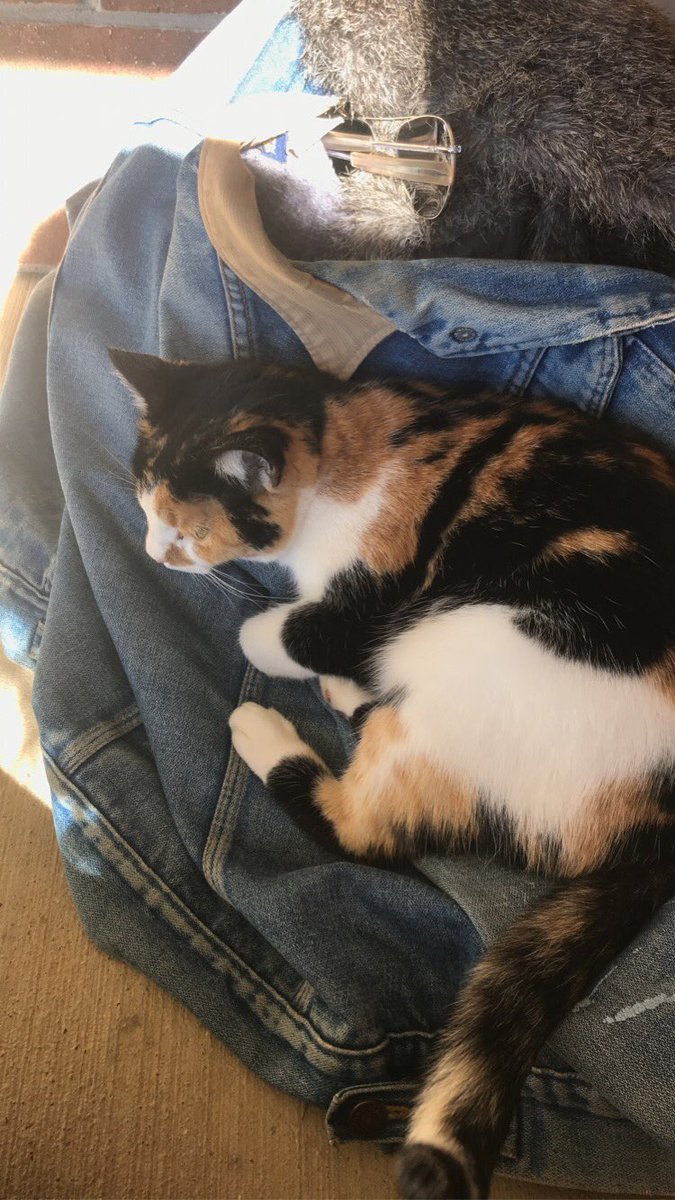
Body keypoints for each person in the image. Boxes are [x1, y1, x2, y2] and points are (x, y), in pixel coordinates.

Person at [1, 1, 673, 1190]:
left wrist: (303, 641)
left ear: (273, 469)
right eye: (162, 517)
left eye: (184, 526)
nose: (170, 544)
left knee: (316, 653)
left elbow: (314, 632)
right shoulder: (359, 449)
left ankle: (344, 816)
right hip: (603, 683)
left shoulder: (349, 496)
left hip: (601, 707)